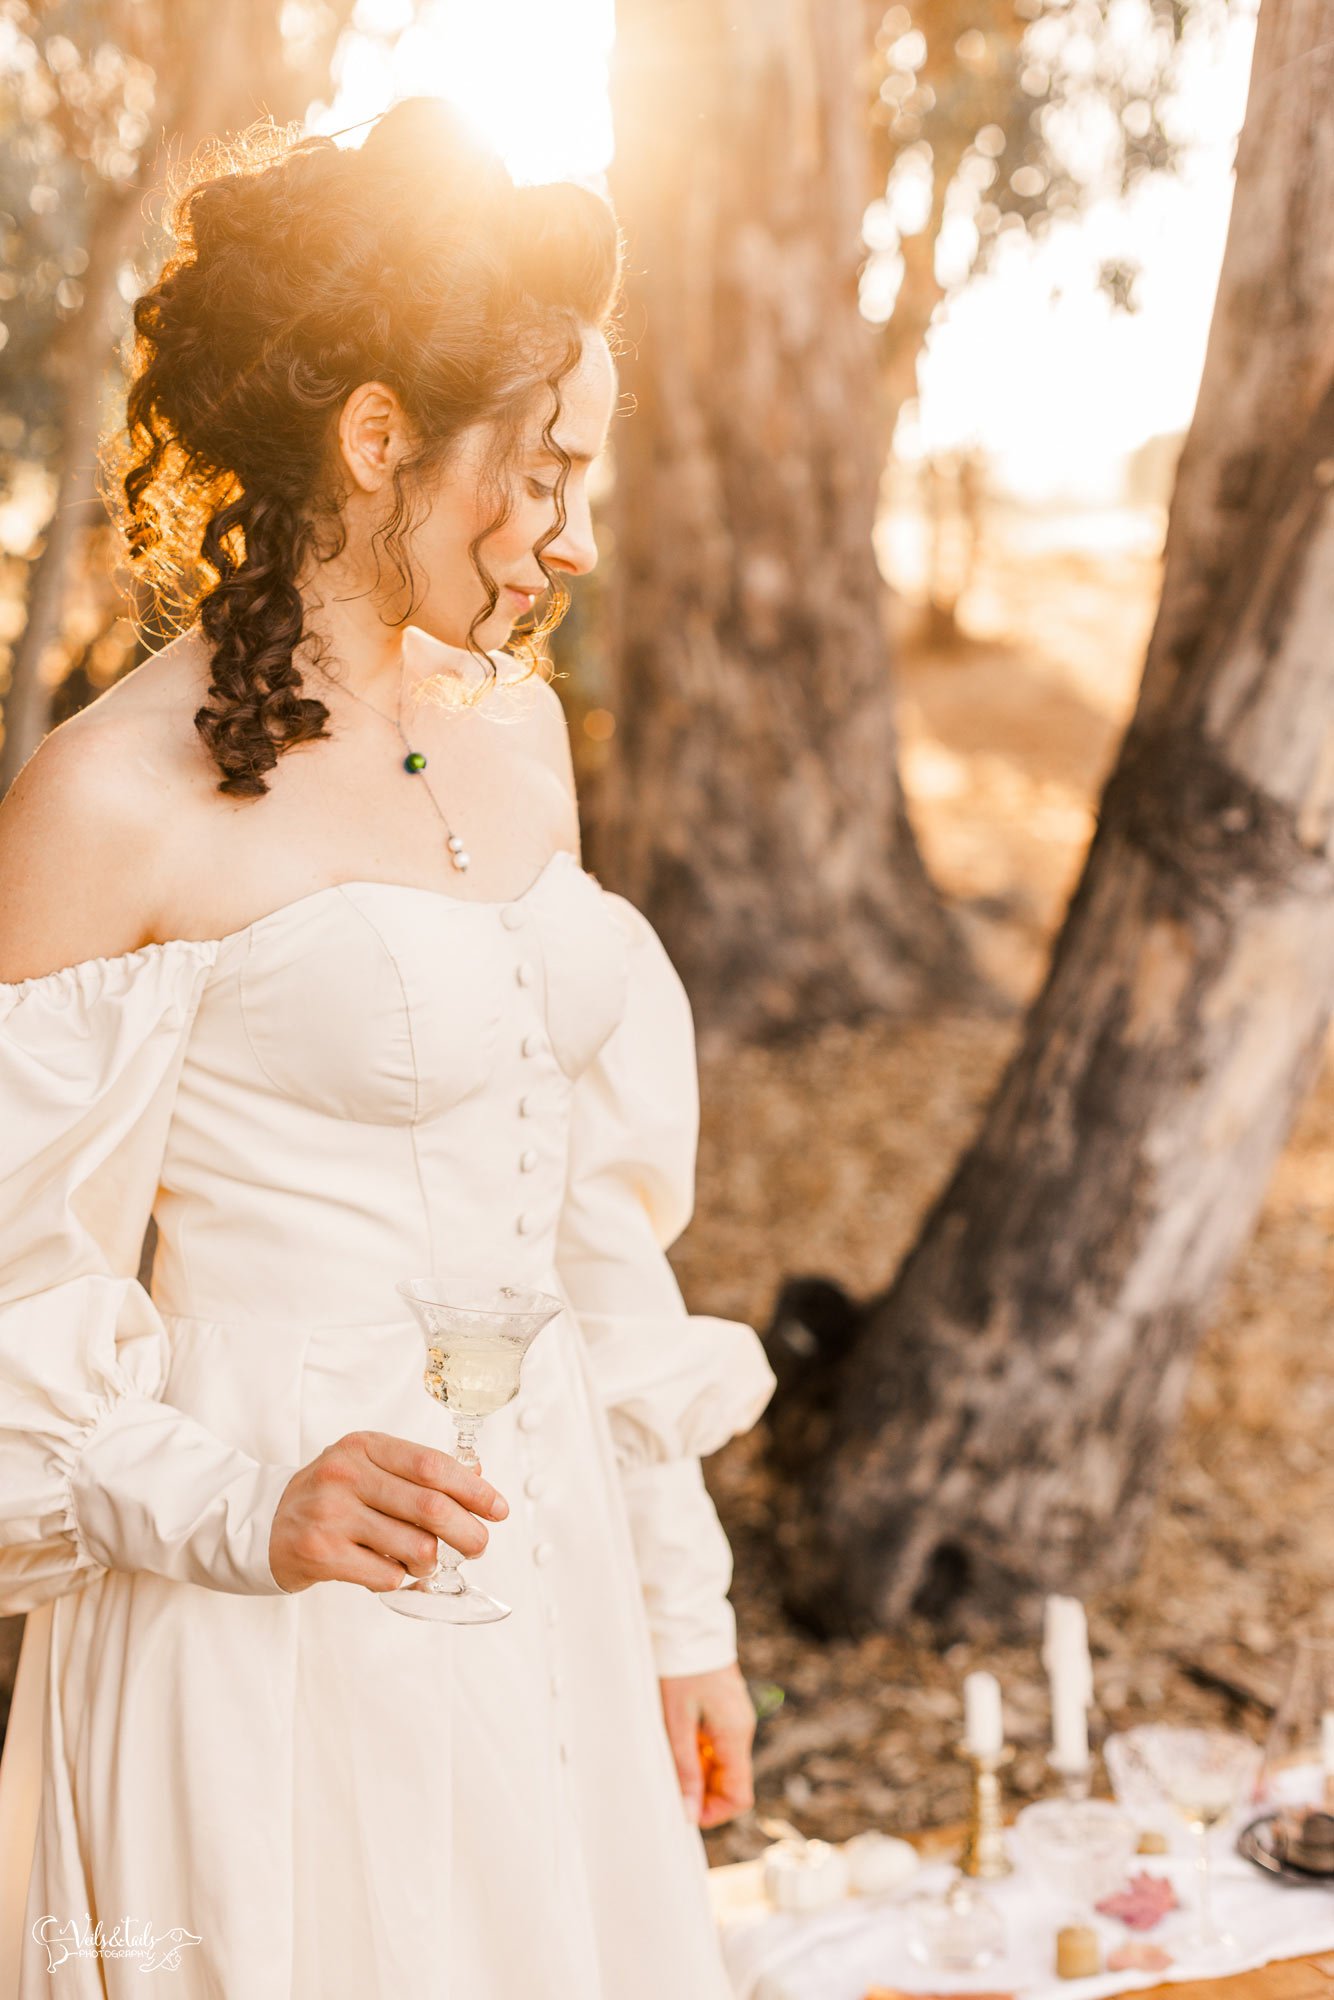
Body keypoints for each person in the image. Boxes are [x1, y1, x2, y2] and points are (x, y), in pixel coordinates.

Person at [0, 98, 776, 1998]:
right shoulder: (105, 802)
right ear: (375, 441)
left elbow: (587, 1225)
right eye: (550, 473)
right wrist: (239, 1508)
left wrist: (681, 1609)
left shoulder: (521, 740)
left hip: (549, 1593)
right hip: (254, 1620)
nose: (578, 538)